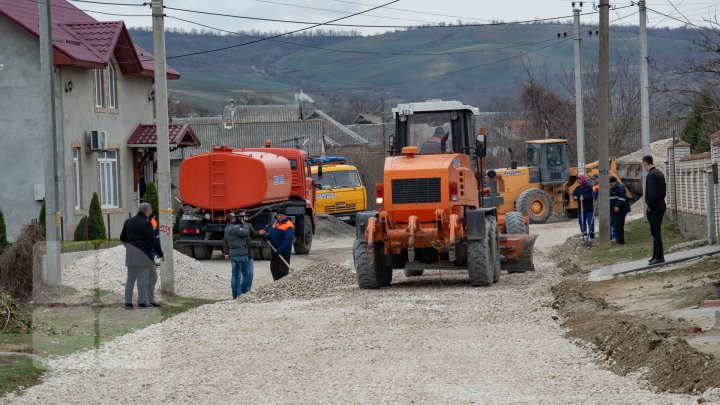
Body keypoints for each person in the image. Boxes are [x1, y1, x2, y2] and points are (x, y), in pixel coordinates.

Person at [120, 203, 163, 309]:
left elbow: (122, 238)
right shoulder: (146, 223)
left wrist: (129, 248)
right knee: (142, 279)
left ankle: (128, 304)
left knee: (130, 279)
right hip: (143, 255)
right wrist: (160, 253)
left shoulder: (128, 222)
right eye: (151, 210)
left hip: (130, 255)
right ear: (148, 211)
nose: (151, 211)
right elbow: (153, 240)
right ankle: (142, 303)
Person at [222, 210, 256, 299]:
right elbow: (245, 233)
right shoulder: (235, 228)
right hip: (241, 253)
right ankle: (243, 294)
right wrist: (244, 223)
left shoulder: (227, 228)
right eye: (235, 217)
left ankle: (235, 294)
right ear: (232, 219)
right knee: (246, 274)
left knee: (235, 275)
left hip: (233, 254)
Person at [259, 207, 294, 281]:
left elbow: (287, 241)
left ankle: (283, 288)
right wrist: (265, 235)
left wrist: (279, 250)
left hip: (283, 254)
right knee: (274, 271)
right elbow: (272, 235)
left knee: (283, 273)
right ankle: (276, 286)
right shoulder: (276, 223)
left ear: (285, 216)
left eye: (281, 215)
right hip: (274, 252)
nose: (279, 217)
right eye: (278, 215)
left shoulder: (289, 226)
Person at [643, 155, 667, 264]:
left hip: (655, 207)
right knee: (655, 231)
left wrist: (649, 205)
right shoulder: (659, 173)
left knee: (655, 232)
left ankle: (660, 257)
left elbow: (652, 194)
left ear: (645, 163)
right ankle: (655, 255)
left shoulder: (651, 175)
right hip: (661, 204)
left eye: (643, 164)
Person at [572, 174, 595, 239]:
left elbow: (591, 195)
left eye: (580, 180)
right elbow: (574, 194)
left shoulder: (589, 187)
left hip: (588, 208)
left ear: (583, 179)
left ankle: (591, 235)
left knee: (590, 221)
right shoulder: (577, 188)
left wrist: (584, 197)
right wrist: (575, 197)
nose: (579, 181)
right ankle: (584, 234)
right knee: (581, 221)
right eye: (578, 180)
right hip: (581, 209)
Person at [609, 176, 630, 245]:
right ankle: (618, 240)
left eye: (610, 183)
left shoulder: (620, 188)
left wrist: (617, 206)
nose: (609, 185)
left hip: (621, 210)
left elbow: (622, 198)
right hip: (614, 211)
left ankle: (621, 241)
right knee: (616, 225)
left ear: (614, 182)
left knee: (619, 225)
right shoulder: (612, 189)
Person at [147, 215, 161, 307]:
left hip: (149, 256)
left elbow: (156, 239)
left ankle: (150, 300)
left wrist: (158, 252)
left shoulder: (153, 222)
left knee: (152, 277)